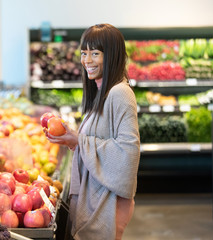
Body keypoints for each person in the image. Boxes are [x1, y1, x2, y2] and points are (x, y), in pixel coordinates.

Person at [44, 23, 140, 240]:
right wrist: (74, 140)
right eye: (84, 53)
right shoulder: (102, 92)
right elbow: (100, 138)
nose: (87, 60)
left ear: (113, 56)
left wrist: (81, 140)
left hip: (108, 203)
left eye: (95, 53)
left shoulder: (120, 93)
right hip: (99, 198)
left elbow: (128, 152)